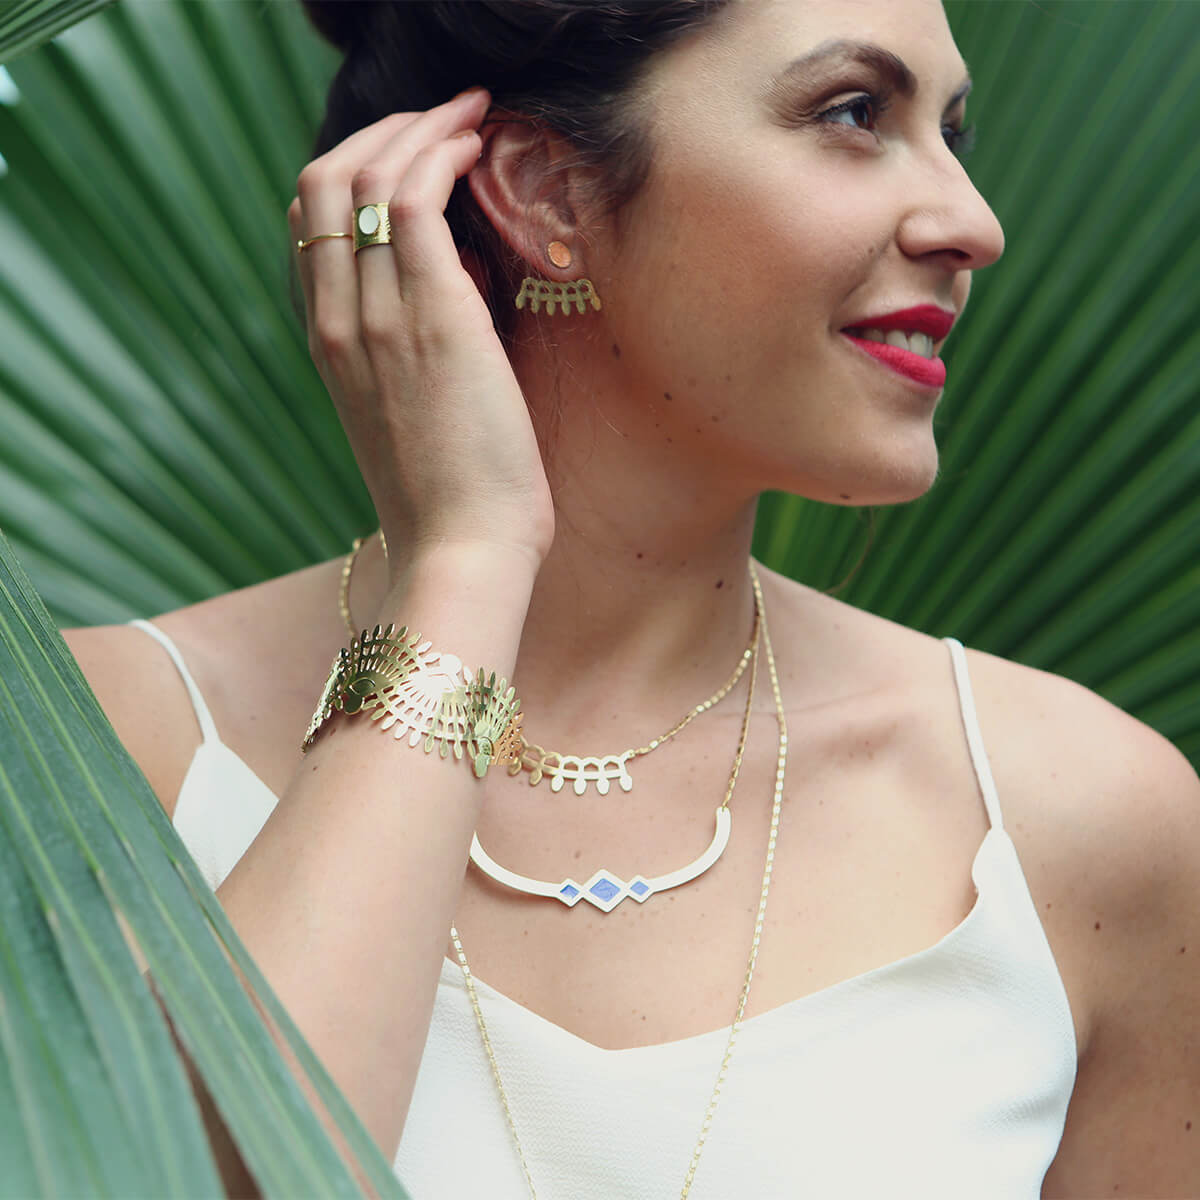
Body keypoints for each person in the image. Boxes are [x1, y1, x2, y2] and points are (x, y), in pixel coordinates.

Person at [64, 0, 1200, 1195]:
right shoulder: (94, 751)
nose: (975, 224)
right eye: (854, 112)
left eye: (951, 134)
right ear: (545, 192)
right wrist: (467, 560)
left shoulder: (1078, 822)